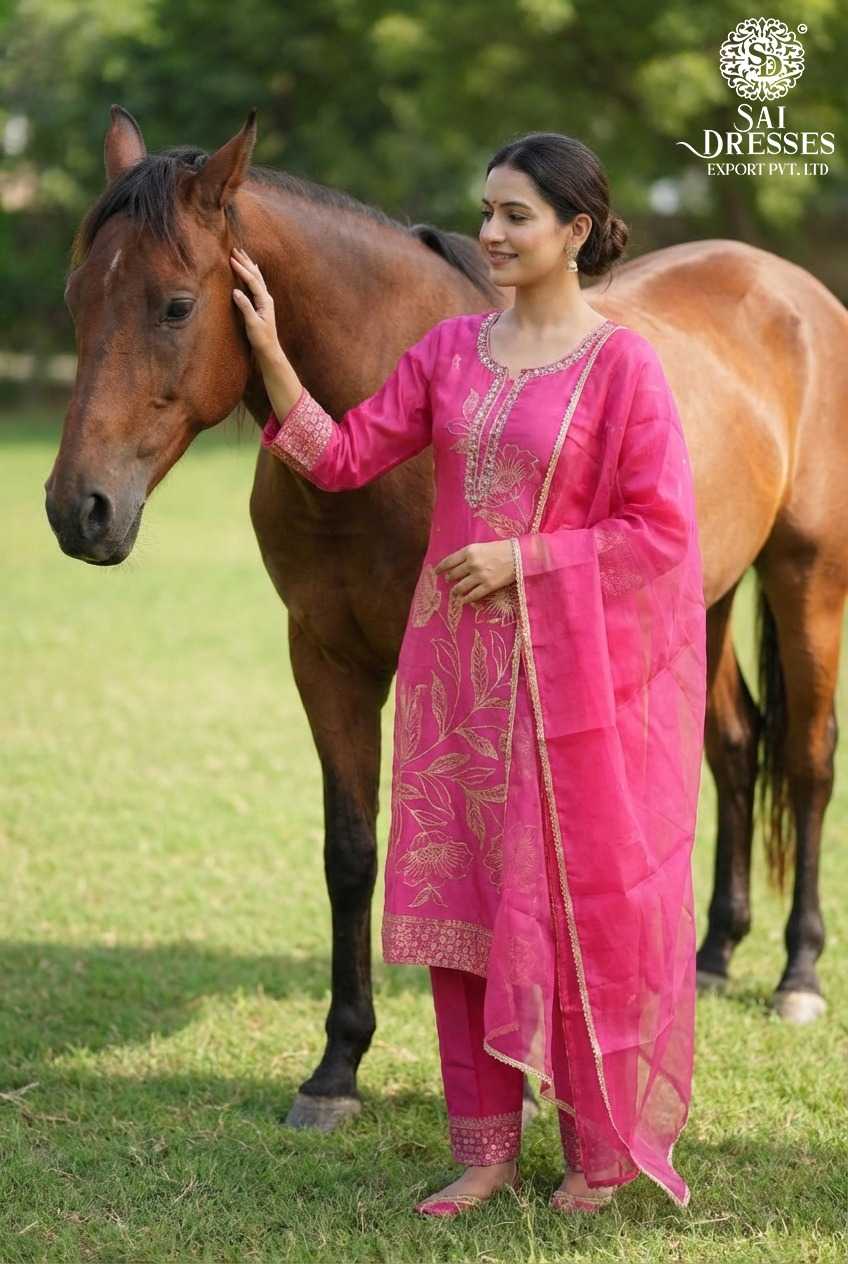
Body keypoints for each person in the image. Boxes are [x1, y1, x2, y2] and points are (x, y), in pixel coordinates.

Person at [231, 131, 707, 1217]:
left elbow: (659, 534)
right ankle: (485, 1147)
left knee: (578, 911)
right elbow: (344, 455)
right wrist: (268, 353)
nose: (487, 233)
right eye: (483, 212)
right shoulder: (450, 352)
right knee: (464, 915)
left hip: (572, 694)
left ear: (575, 231)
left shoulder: (619, 364)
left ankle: (595, 1152)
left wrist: (527, 558)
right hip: (456, 688)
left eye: (514, 216)